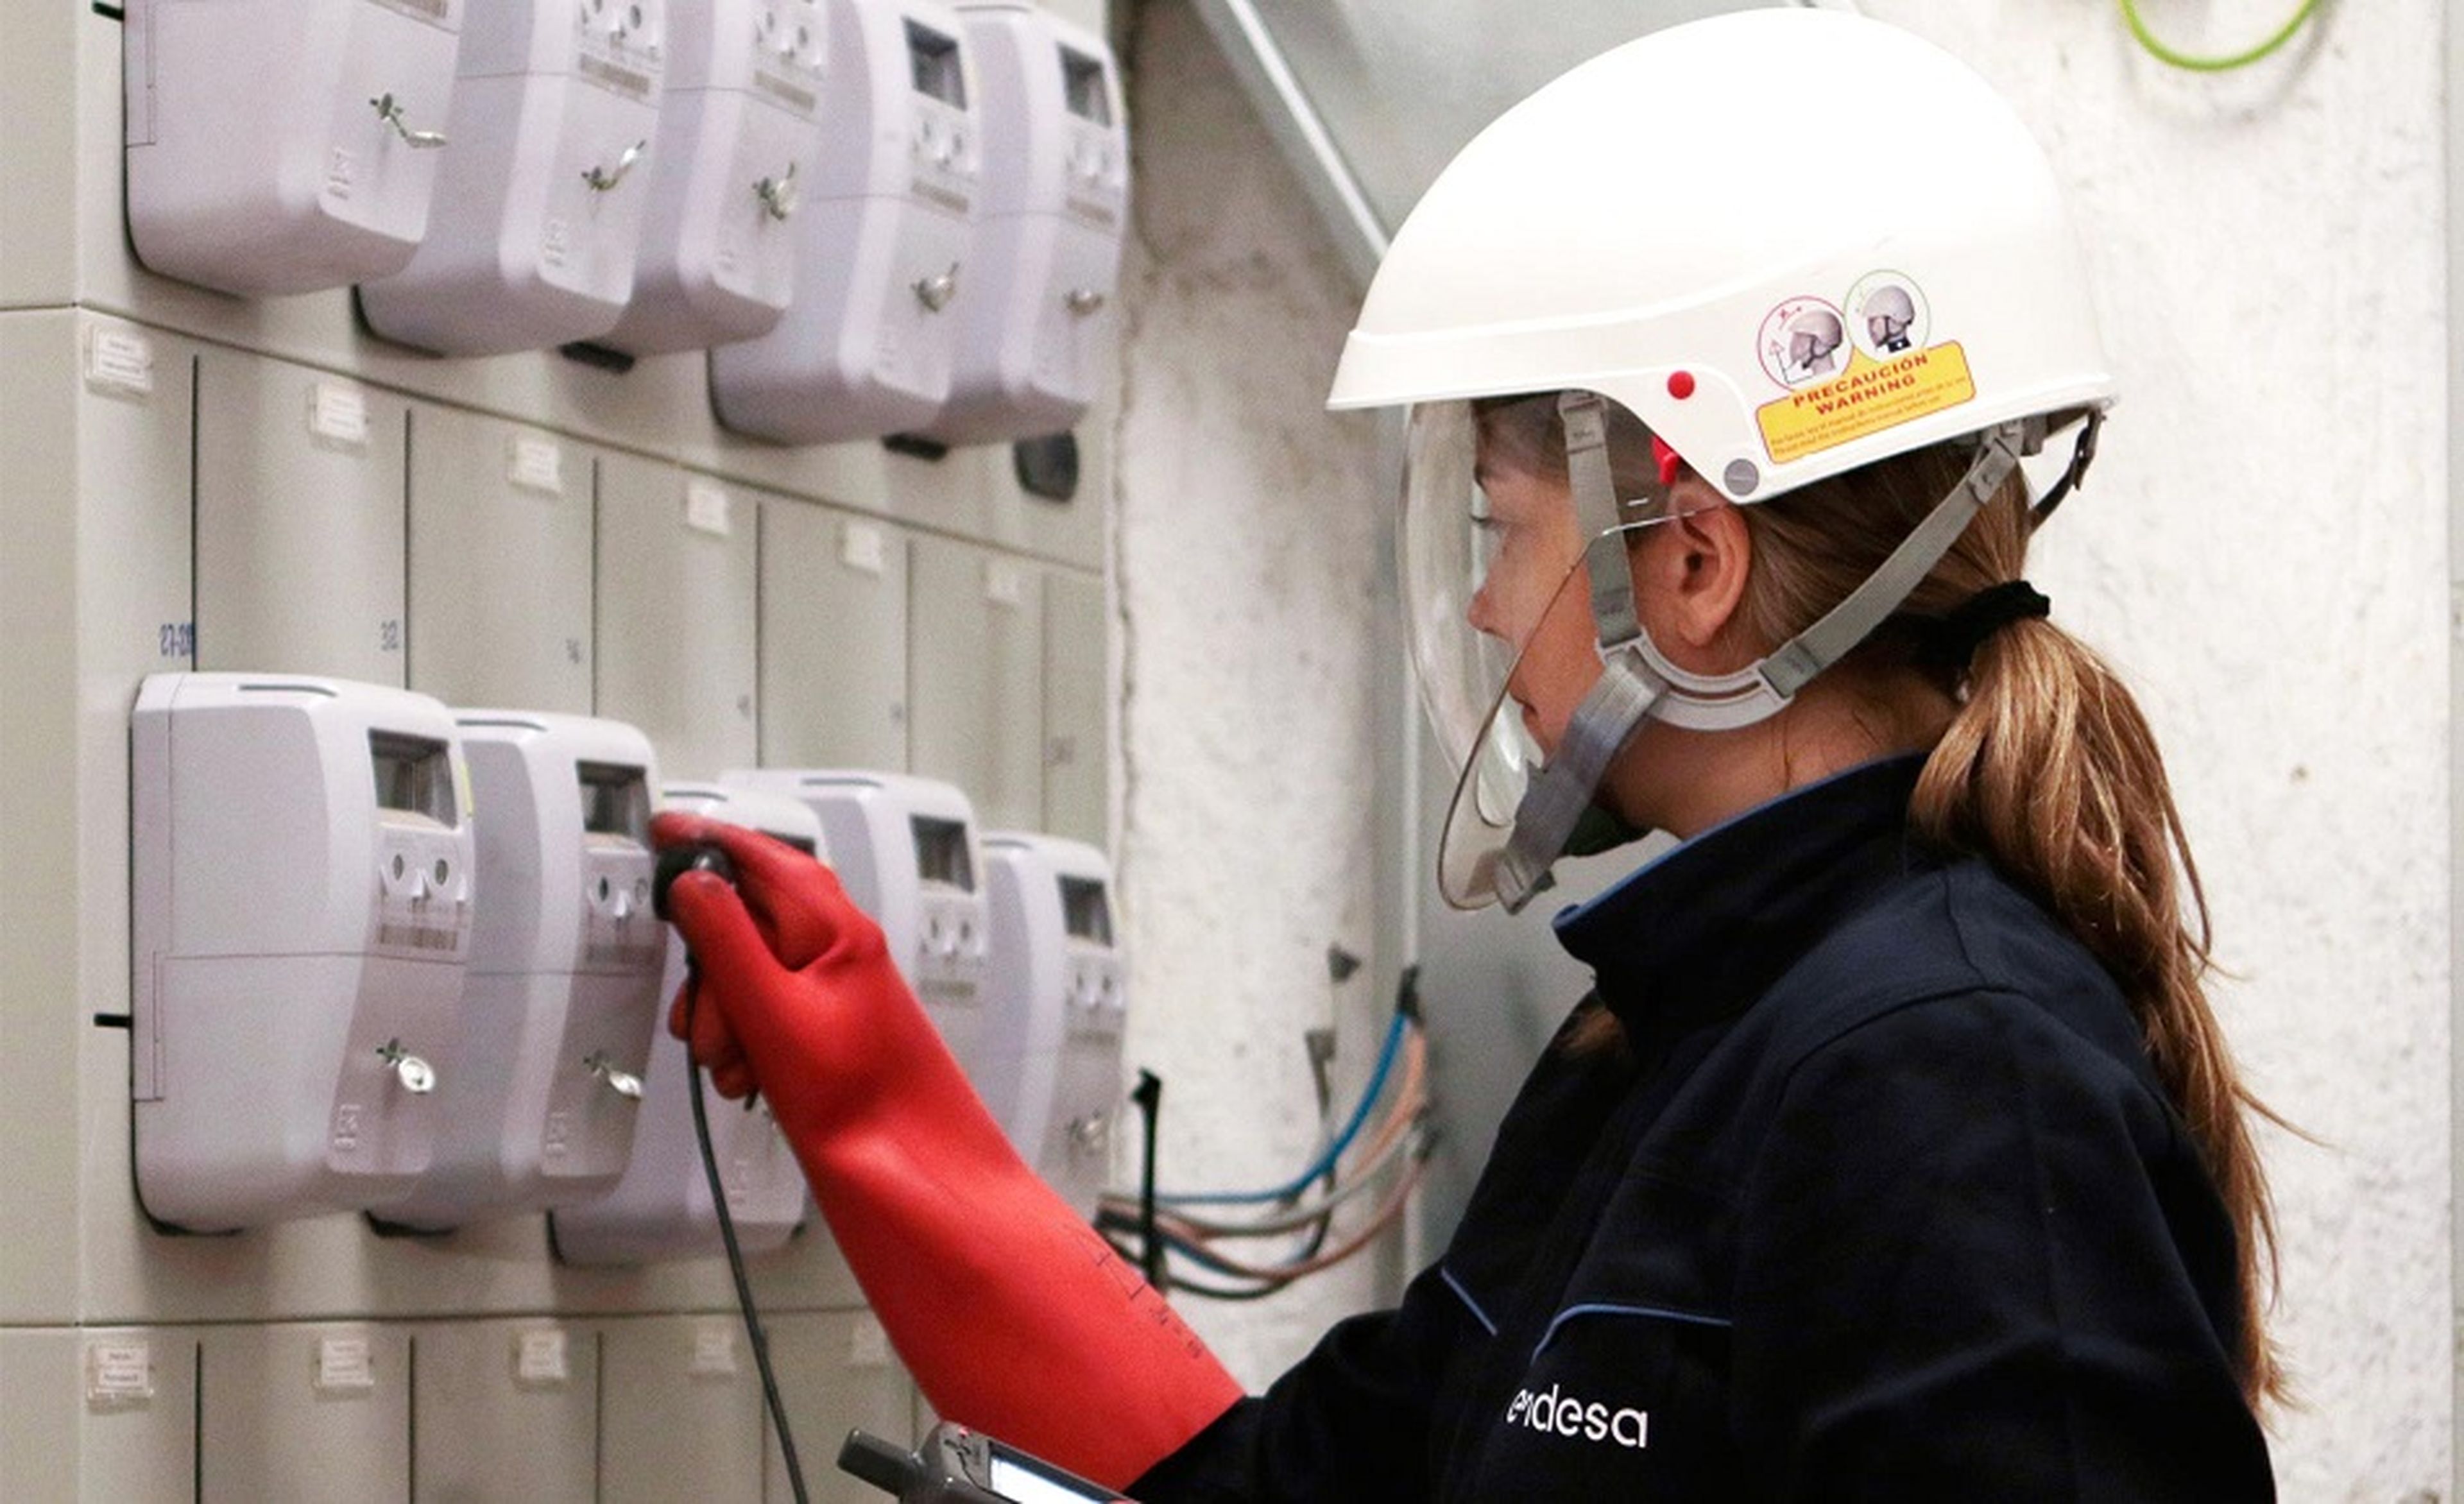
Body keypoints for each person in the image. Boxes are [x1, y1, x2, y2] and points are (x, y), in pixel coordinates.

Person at [653, 10, 2280, 1498]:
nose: (1491, 609)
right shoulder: (1673, 1045)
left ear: (1690, 563)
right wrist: (866, 1089)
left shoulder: (1948, 1068)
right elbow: (1282, 1486)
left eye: (1502, 530)